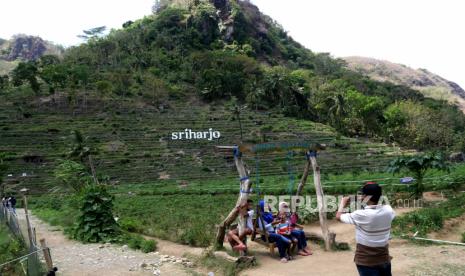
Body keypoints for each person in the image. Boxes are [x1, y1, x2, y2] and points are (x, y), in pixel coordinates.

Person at [336, 182, 396, 276]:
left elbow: (338, 217)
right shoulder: (389, 210)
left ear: (365, 196)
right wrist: (363, 197)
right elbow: (375, 201)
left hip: (366, 260)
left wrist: (343, 202)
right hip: (383, 258)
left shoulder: (361, 214)